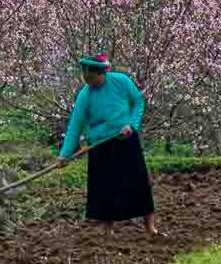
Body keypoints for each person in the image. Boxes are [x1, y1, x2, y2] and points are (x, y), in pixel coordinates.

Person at [53, 53, 161, 235]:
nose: (87, 80)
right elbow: (75, 125)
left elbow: (138, 103)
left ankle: (150, 227)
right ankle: (107, 229)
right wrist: (65, 154)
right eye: (84, 76)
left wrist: (132, 125)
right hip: (100, 145)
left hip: (125, 139)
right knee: (104, 187)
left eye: (90, 76)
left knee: (140, 183)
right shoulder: (85, 94)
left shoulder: (121, 81)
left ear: (101, 73)